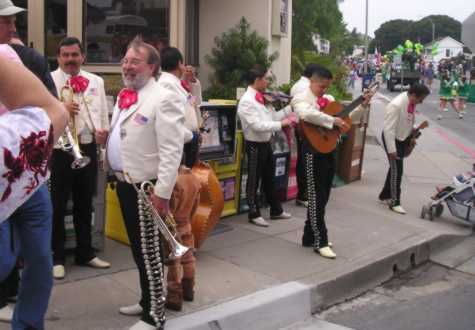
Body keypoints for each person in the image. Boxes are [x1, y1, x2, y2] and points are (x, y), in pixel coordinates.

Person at [107, 40, 186, 330]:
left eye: (134, 62)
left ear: (151, 67)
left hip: (148, 188)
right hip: (126, 183)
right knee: (139, 250)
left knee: (150, 253)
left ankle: (154, 316)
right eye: (125, 60)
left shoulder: (162, 96)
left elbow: (171, 149)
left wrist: (163, 193)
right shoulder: (126, 95)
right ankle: (146, 301)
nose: (127, 66)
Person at [0, 50, 68, 329]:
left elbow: (52, 108)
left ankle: (28, 324)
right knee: (3, 260)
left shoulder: (7, 54)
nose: (13, 26)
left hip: (28, 178)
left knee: (40, 259)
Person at [291, 66, 372, 259]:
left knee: (324, 195)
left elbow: (346, 121)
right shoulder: (301, 97)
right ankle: (320, 240)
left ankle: (308, 236)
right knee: (315, 196)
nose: (324, 90)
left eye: (327, 87)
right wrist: (332, 121)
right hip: (311, 151)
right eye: (321, 86)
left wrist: (362, 105)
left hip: (328, 150)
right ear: (312, 81)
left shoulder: (329, 101)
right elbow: (305, 114)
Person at [50, 37, 110, 280]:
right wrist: (60, 109)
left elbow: (103, 113)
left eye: (74, 55)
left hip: (87, 149)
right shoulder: (49, 81)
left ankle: (85, 252)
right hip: (60, 150)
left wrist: (103, 138)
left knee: (86, 203)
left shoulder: (96, 81)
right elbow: (40, 114)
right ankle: (57, 256)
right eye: (65, 55)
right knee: (57, 204)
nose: (70, 59)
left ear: (82, 56)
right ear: (59, 57)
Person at [238, 65, 293, 227]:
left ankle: (276, 210)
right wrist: (282, 124)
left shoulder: (262, 98)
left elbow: (273, 117)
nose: (267, 82)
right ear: (257, 80)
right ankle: (253, 213)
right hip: (254, 145)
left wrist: (290, 108)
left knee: (270, 178)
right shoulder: (247, 101)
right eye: (266, 79)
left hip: (266, 143)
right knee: (253, 181)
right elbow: (257, 125)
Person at [378, 83, 430, 214]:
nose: (422, 102)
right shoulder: (396, 105)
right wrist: (391, 150)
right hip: (393, 140)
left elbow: (406, 121)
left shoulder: (410, 103)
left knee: (394, 169)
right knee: (398, 171)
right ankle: (395, 202)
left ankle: (385, 195)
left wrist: (412, 134)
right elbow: (388, 129)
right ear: (413, 95)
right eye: (421, 99)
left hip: (401, 138)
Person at [290, 63, 323, 208]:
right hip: (306, 129)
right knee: (306, 164)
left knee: (303, 163)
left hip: (301, 127)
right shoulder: (305, 88)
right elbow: (308, 112)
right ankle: (303, 195)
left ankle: (303, 194)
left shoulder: (297, 85)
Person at [181, 65, 203, 168]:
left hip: (193, 132)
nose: (187, 72)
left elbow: (197, 102)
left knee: (192, 166)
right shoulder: (174, 86)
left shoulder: (188, 91)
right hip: (181, 134)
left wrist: (193, 81)